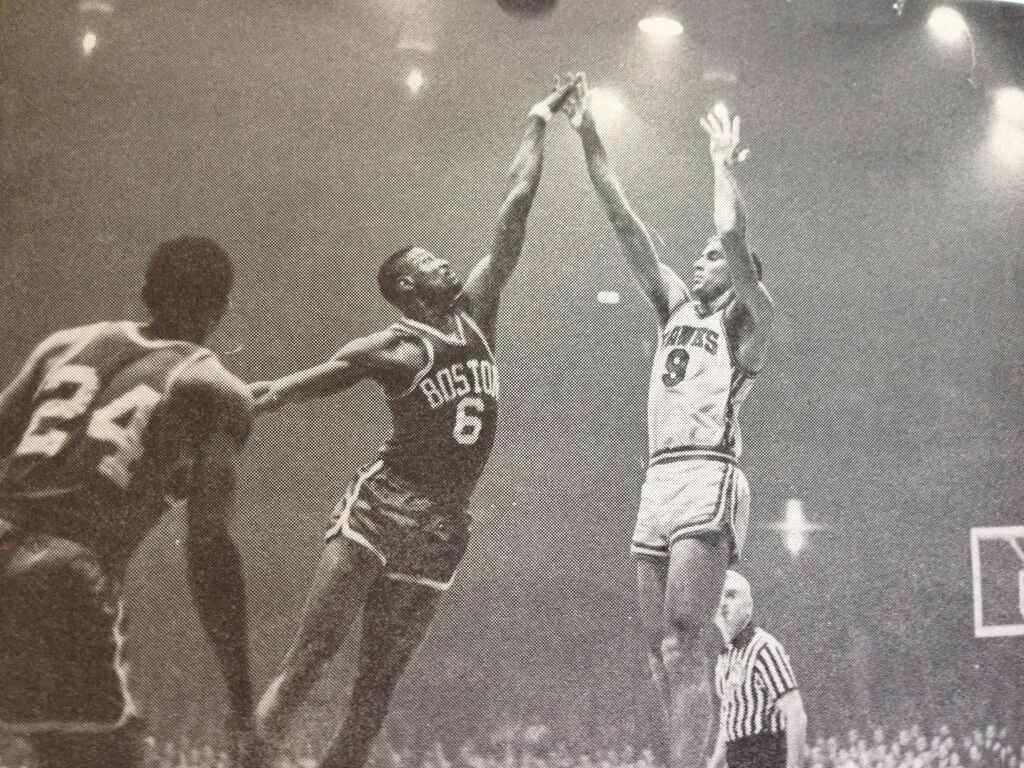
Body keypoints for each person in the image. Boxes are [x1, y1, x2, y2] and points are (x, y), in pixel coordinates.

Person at [250, 77, 580, 768]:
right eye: (429, 261)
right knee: (313, 655)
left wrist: (537, 120)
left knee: (375, 692)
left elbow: (513, 212)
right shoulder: (394, 346)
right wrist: (259, 396)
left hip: (444, 523)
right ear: (407, 286)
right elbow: (308, 382)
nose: (445, 261)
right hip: (384, 505)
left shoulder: (478, 313)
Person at [563, 76, 775, 768]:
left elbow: (731, 233)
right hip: (657, 477)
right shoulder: (677, 309)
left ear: (741, 275)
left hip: (706, 474)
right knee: (660, 653)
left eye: (712, 259)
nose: (700, 258)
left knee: (687, 639)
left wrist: (720, 162)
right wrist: (589, 133)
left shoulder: (749, 320)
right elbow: (625, 222)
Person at [0, 236, 260, 767]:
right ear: (222, 310)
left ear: (144, 291)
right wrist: (241, 696)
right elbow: (209, 549)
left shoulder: (63, 346)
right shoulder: (216, 389)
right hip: (63, 577)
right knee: (110, 755)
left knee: (54, 746)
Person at [707, 571, 806, 768]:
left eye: (731, 595)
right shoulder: (724, 656)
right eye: (719, 596)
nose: (723, 602)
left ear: (748, 608)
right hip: (737, 758)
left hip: (766, 755)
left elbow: (796, 714)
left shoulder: (764, 647)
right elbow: (729, 721)